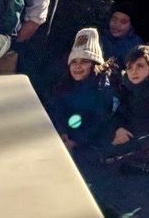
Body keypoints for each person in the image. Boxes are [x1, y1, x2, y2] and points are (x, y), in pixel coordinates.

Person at [47, 28, 117, 158]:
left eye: (84, 62)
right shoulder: (64, 84)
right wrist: (63, 133)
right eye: (74, 62)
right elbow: (57, 111)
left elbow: (99, 122)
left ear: (94, 65)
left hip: (91, 146)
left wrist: (76, 141)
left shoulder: (103, 89)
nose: (77, 66)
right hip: (64, 139)